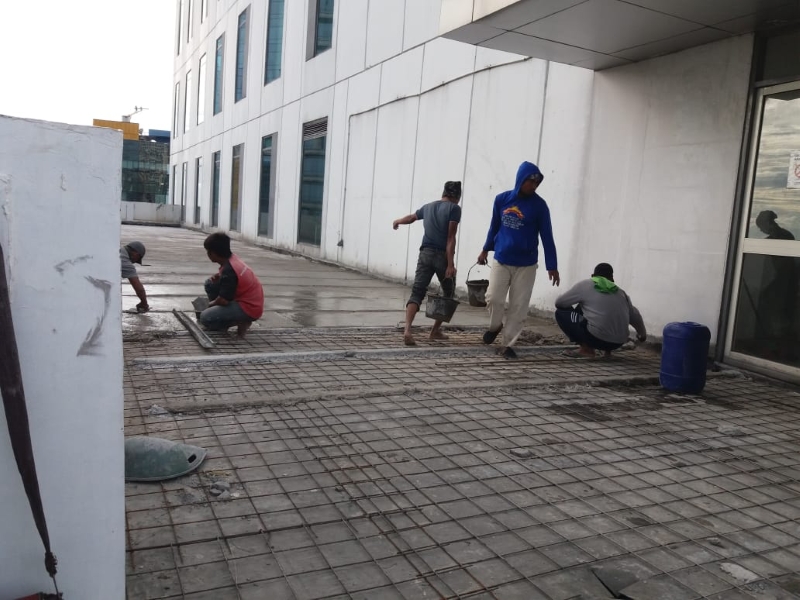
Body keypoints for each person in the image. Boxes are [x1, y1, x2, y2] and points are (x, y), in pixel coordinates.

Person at [477, 161, 559, 359]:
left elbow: (547, 236)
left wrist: (552, 265)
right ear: (521, 179)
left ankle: (507, 344)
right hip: (502, 259)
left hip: (526, 264)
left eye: (537, 183)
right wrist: (485, 249)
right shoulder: (502, 200)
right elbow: (494, 227)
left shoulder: (540, 206)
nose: (534, 186)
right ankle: (495, 326)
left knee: (519, 306)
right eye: (530, 181)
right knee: (493, 298)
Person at [393, 181, 462, 346]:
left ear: (444, 193)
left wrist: (397, 221)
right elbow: (450, 238)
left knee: (417, 292)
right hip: (442, 256)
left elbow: (411, 218)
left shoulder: (428, 206)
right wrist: (450, 264)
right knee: (448, 294)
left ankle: (407, 330)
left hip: (425, 254)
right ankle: (435, 331)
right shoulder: (454, 209)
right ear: (457, 196)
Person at [555, 263, 646, 358]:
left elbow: (559, 303)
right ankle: (607, 352)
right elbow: (636, 316)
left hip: (595, 339)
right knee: (593, 308)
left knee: (561, 312)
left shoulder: (586, 284)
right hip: (618, 343)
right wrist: (642, 335)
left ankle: (586, 350)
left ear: (592, 276)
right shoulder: (622, 293)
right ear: (612, 278)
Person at [199, 232, 264, 337]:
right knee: (210, 284)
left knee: (205, 317)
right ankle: (225, 317)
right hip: (250, 301)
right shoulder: (232, 259)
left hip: (249, 308)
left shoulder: (229, 271)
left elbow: (223, 300)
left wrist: (210, 305)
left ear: (213, 253)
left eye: (208, 251)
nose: (208, 254)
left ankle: (240, 321)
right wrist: (220, 278)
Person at [121, 241, 149, 313]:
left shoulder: (117, 249)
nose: (133, 262)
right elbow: (139, 288)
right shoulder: (125, 262)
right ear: (136, 254)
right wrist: (144, 303)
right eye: (137, 259)